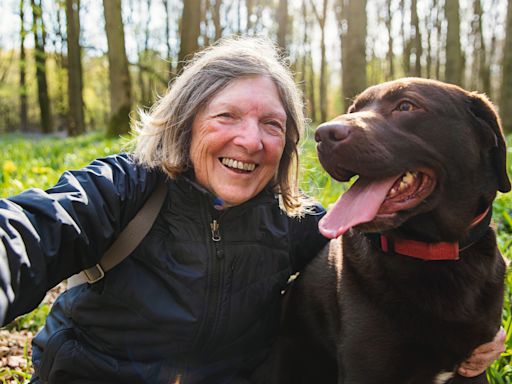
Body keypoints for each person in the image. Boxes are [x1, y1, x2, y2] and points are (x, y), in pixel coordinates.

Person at [0, 37, 505, 384]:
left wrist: (473, 334)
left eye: (272, 124)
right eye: (226, 116)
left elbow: (401, 264)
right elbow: (29, 232)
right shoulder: (121, 189)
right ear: (184, 121)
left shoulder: (298, 225)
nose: (249, 139)